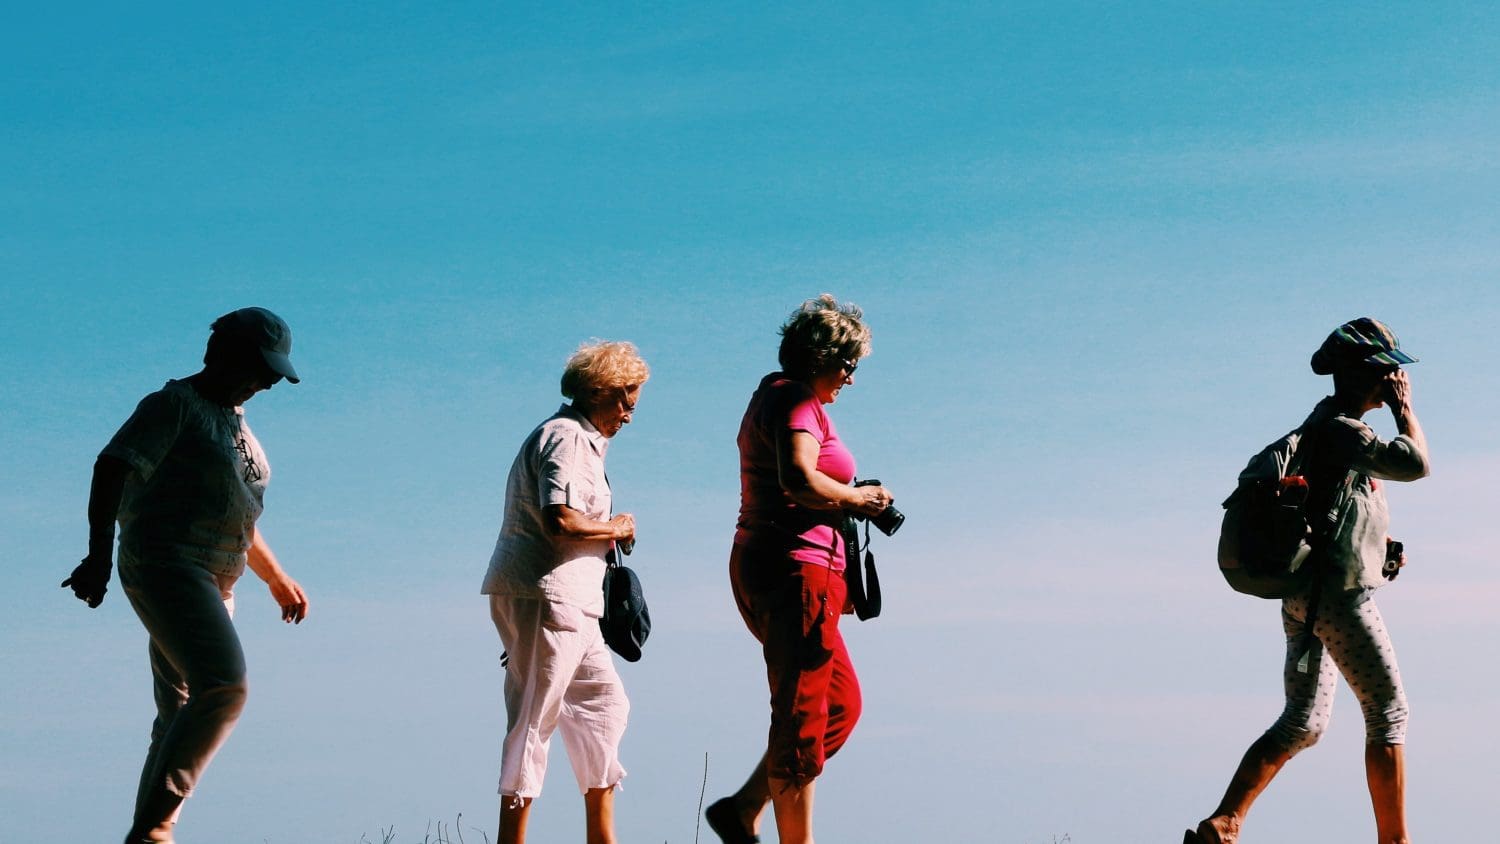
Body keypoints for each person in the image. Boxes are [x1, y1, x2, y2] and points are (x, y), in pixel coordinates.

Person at [61, 307, 310, 844]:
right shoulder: (172, 405)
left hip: (218, 579)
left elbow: (237, 510)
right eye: (262, 368)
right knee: (224, 684)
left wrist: (274, 577)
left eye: (274, 373)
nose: (268, 382)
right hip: (166, 564)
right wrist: (98, 555)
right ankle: (155, 826)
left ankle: (147, 832)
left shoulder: (239, 424)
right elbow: (113, 467)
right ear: (223, 356)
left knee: (177, 711)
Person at [1186, 318, 1430, 844]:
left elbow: (1340, 516)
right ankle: (1396, 840)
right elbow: (1414, 464)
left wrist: (1382, 556)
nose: (1393, 378)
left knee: (1303, 720)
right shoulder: (1344, 430)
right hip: (1337, 599)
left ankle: (1225, 823)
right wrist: (1404, 410)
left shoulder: (1326, 431)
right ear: (1365, 373)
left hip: (1306, 597)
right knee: (1389, 713)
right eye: (1387, 370)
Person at [706, 294, 895, 844]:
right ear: (821, 357)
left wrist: (846, 499)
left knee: (838, 705)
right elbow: (798, 479)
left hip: (790, 567)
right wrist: (856, 501)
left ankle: (742, 810)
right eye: (848, 365)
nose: (851, 379)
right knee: (802, 715)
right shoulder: (796, 402)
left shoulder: (775, 396)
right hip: (796, 569)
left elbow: (802, 480)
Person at [480, 340, 649, 844]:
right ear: (601, 390)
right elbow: (561, 520)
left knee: (605, 703)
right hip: (548, 594)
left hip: (571, 598)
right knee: (535, 715)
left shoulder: (573, 438)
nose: (628, 415)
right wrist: (616, 528)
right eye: (626, 402)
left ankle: (602, 836)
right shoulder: (568, 438)